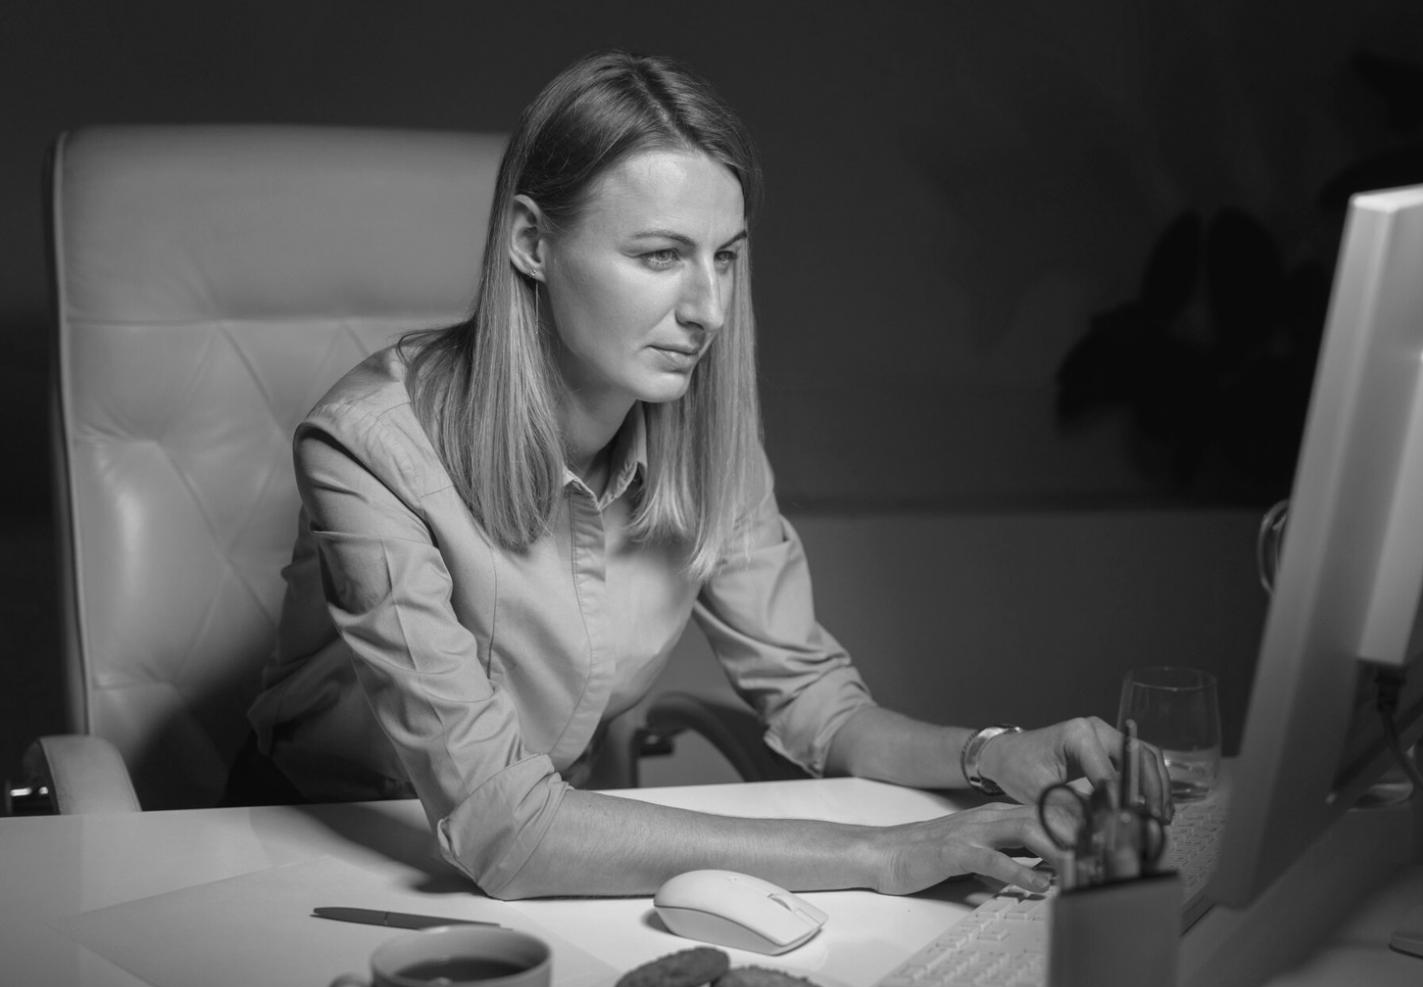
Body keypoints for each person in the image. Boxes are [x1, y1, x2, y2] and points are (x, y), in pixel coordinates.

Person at [244, 49, 1170, 900]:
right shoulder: (370, 446)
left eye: (722, 258)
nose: (708, 309)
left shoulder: (700, 430)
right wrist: (880, 856)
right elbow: (504, 827)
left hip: (570, 855)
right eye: (658, 256)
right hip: (304, 858)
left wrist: (991, 754)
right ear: (530, 243)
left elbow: (815, 700)